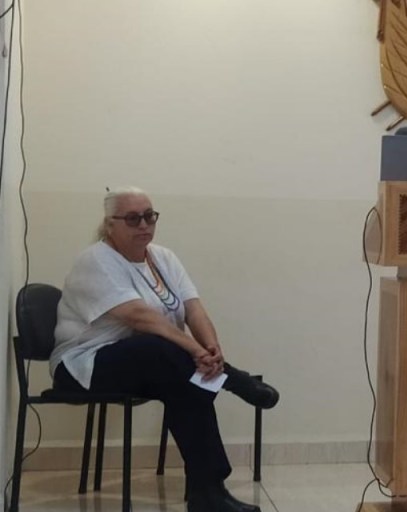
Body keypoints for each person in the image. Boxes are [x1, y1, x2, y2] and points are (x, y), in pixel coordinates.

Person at [50, 186, 279, 512]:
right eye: (133, 219)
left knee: (186, 384)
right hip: (83, 365)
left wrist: (211, 349)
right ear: (110, 224)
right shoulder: (96, 260)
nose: (144, 225)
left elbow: (193, 308)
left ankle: (207, 492)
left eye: (149, 216)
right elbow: (139, 317)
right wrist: (197, 352)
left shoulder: (163, 257)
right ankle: (232, 380)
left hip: (148, 363)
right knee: (160, 348)